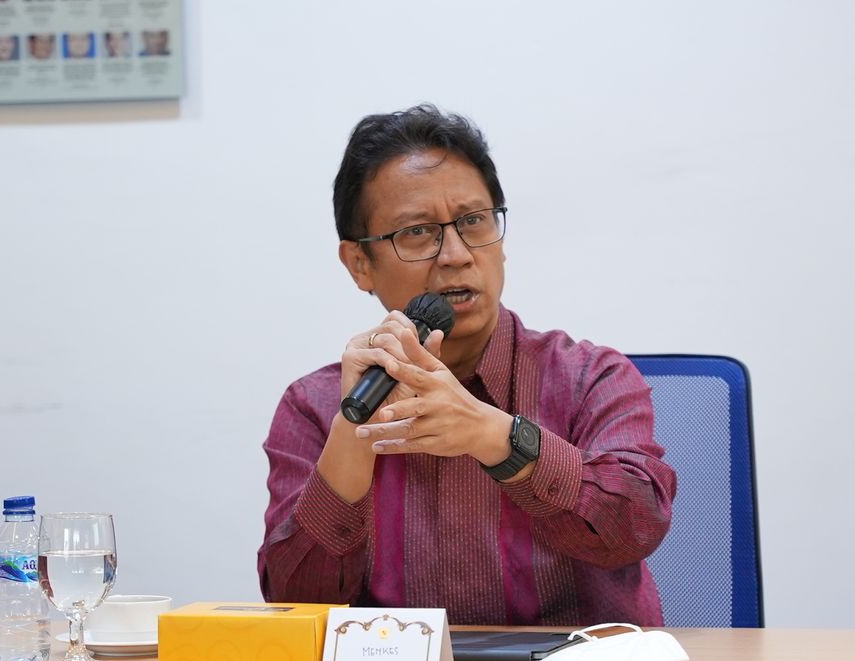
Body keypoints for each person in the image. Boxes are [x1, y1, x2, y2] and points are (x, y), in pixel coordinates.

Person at [258, 105, 676, 627]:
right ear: (360, 264)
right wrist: (353, 433)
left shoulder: (592, 378)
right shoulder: (316, 408)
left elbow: (633, 526)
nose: (455, 254)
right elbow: (294, 603)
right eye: (417, 232)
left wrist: (493, 434)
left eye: (474, 222)